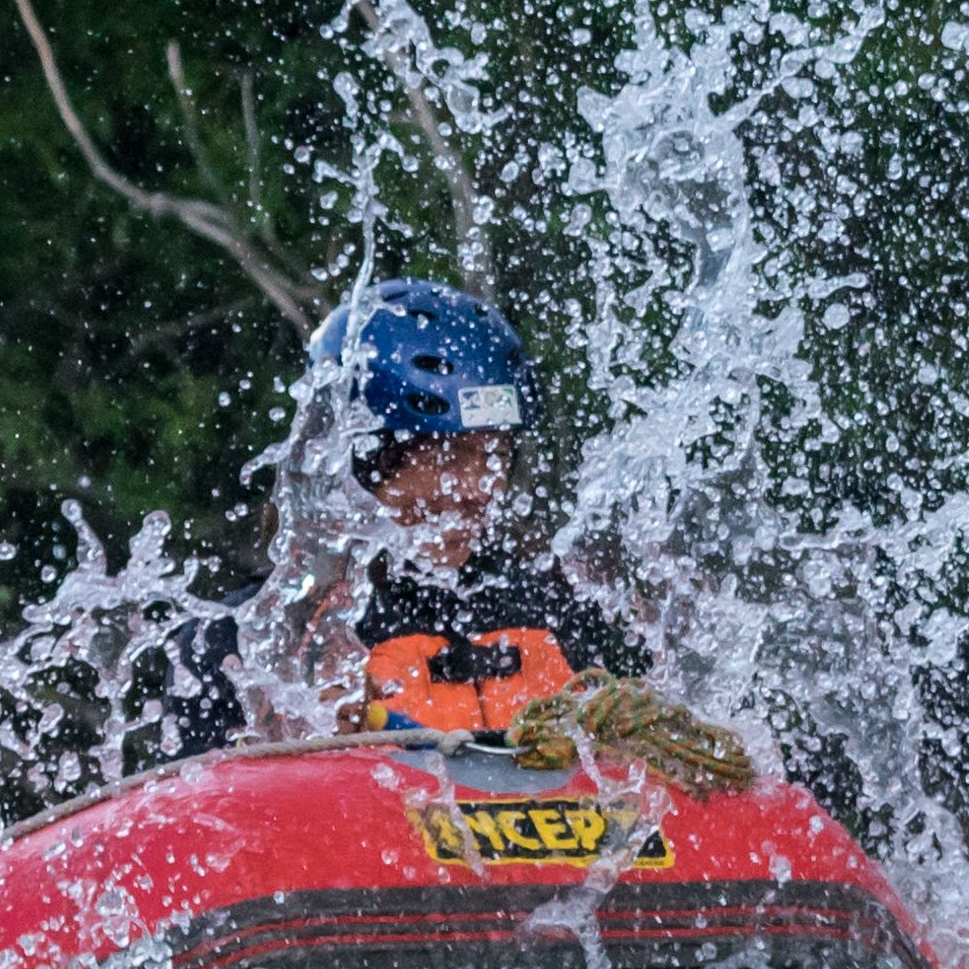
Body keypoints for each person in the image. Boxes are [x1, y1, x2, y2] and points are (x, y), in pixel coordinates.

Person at [167, 280, 739, 779]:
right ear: (361, 463)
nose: (477, 487)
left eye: (494, 455)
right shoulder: (244, 644)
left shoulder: (557, 612)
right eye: (447, 456)